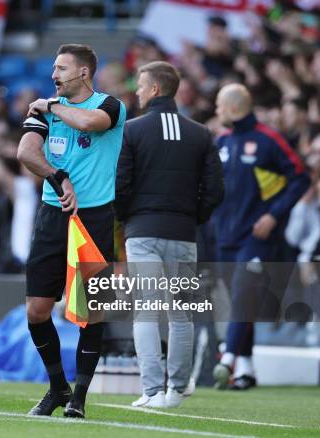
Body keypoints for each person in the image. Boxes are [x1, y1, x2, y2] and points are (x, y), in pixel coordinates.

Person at [17, 44, 126, 418]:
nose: (53, 75)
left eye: (61, 68)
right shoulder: (47, 111)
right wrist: (58, 176)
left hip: (95, 219)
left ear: (83, 72)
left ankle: (78, 398)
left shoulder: (110, 105)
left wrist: (48, 106)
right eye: (53, 68)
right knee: (37, 310)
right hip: (53, 215)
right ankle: (57, 387)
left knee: (91, 311)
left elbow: (88, 123)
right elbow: (27, 152)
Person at [114, 61, 224, 408]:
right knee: (181, 314)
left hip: (143, 232)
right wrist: (194, 217)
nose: (138, 91)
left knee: (146, 310)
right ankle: (176, 389)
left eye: (142, 85)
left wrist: (126, 219)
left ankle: (151, 391)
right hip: (183, 234)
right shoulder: (201, 132)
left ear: (156, 89)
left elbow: (121, 184)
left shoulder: (132, 130)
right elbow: (215, 190)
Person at [212, 83, 309, 390]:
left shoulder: (268, 140)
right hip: (226, 235)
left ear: (234, 107)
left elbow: (300, 177)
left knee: (244, 293)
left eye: (219, 105)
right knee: (243, 301)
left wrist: (273, 214)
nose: (216, 110)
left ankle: (227, 358)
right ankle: (246, 370)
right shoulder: (222, 140)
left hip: (256, 236)